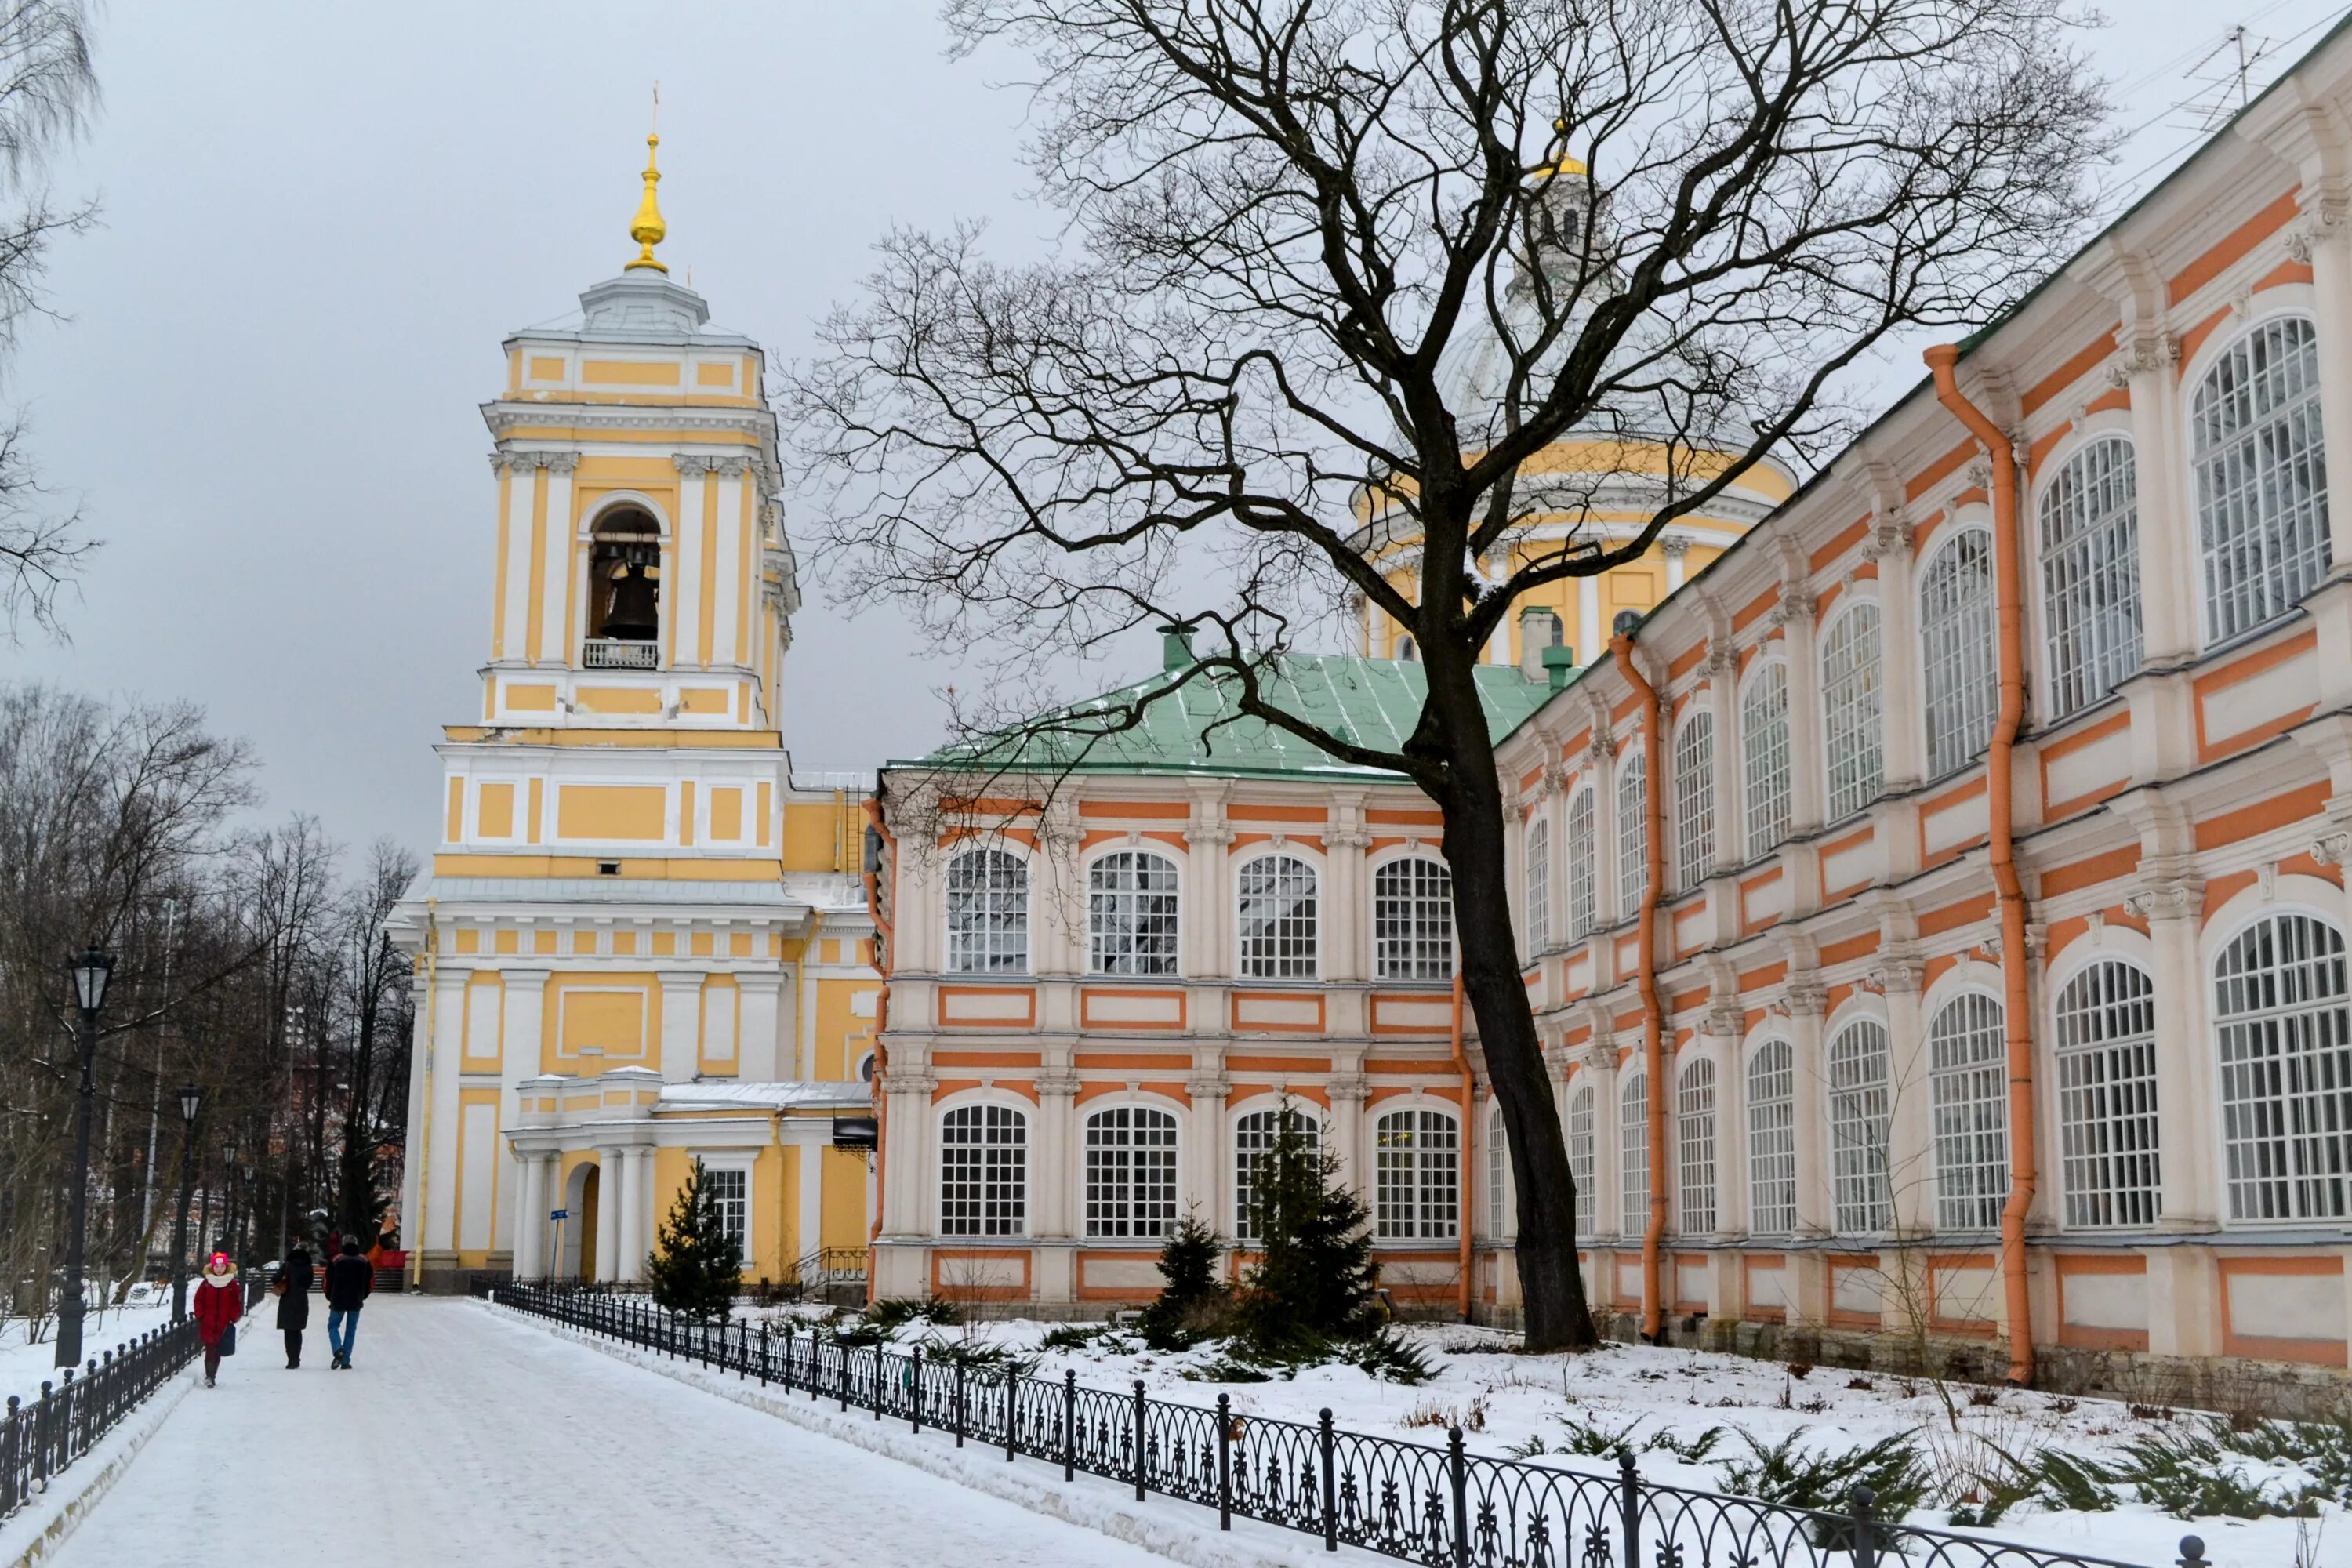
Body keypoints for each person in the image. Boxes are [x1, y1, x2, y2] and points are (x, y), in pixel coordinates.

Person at [192, 1252, 240, 1387]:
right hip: (208, 1322)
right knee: (210, 1349)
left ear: (226, 1267)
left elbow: (236, 1303)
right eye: (217, 1266)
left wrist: (232, 1317)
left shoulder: (231, 1285)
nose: (219, 1269)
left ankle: (212, 1375)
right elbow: (198, 1300)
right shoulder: (207, 1284)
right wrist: (201, 1315)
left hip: (223, 1323)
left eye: (222, 1266)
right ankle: (209, 1376)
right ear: (212, 1267)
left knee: (218, 1351)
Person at [324, 1236, 372, 1369]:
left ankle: (338, 1349)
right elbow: (370, 1282)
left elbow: (327, 1281)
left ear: (343, 1245)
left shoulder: (336, 1260)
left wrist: (330, 1296)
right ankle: (345, 1361)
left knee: (333, 1326)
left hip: (338, 1300)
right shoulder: (364, 1261)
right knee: (351, 1330)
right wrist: (363, 1296)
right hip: (356, 1300)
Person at [275, 1243, 313, 1367]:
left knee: (288, 1331)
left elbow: (275, 1278)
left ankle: (291, 1359)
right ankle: (296, 1357)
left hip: (287, 1299)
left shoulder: (287, 1265)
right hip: (301, 1299)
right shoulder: (308, 1266)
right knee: (297, 1330)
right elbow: (309, 1283)